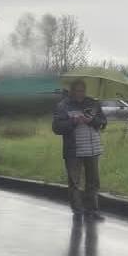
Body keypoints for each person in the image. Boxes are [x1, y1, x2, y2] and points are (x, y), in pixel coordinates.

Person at [52, 80, 107, 221]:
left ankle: (92, 211)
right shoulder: (63, 106)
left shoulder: (93, 103)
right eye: (77, 90)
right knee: (74, 182)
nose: (80, 93)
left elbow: (103, 122)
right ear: (71, 91)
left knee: (93, 182)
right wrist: (73, 122)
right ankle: (78, 212)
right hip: (73, 151)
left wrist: (92, 121)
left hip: (92, 149)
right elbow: (56, 128)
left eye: (82, 90)